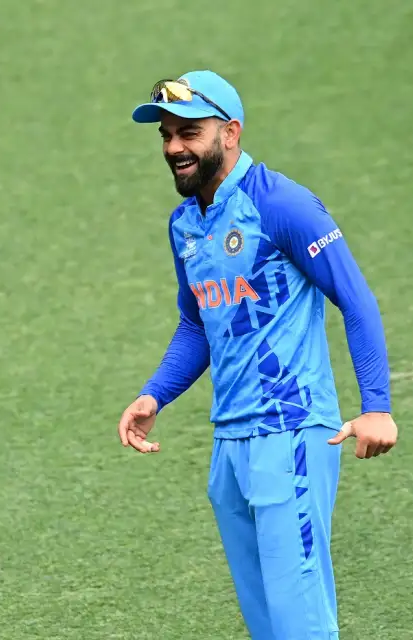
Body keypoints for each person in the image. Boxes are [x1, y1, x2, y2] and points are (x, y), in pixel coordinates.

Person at [117, 71, 398, 639]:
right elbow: (197, 323)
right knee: (268, 626)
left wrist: (377, 405)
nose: (174, 148)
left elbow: (356, 299)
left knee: (300, 623)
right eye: (167, 135)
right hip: (231, 445)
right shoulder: (185, 225)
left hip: (291, 434)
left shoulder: (283, 205)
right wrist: (155, 393)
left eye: (189, 132)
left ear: (231, 131)